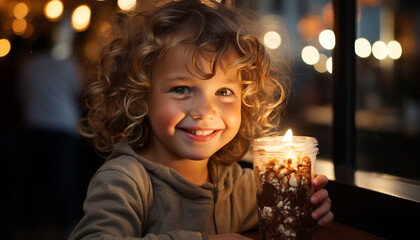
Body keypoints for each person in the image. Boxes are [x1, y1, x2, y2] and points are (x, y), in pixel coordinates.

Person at [70, 0, 333, 239]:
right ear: (140, 97)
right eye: (181, 89)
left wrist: (307, 207)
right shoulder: (125, 181)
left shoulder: (239, 187)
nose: (205, 111)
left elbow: (282, 221)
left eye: (223, 92)